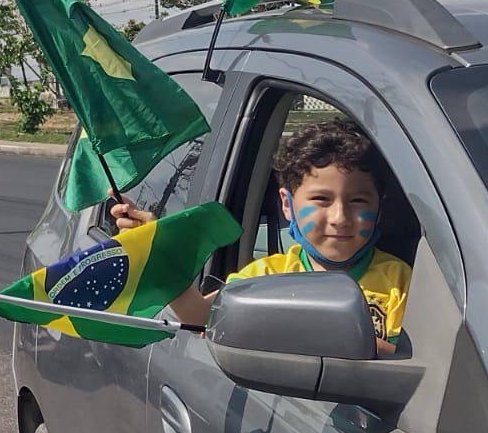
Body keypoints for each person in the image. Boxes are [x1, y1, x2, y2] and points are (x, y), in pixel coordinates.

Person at [112, 119, 409, 356]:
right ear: (286, 204)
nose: (340, 217)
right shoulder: (266, 279)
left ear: (379, 204)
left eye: (358, 201)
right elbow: (201, 317)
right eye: (321, 199)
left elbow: (409, 362)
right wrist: (159, 250)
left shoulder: (403, 282)